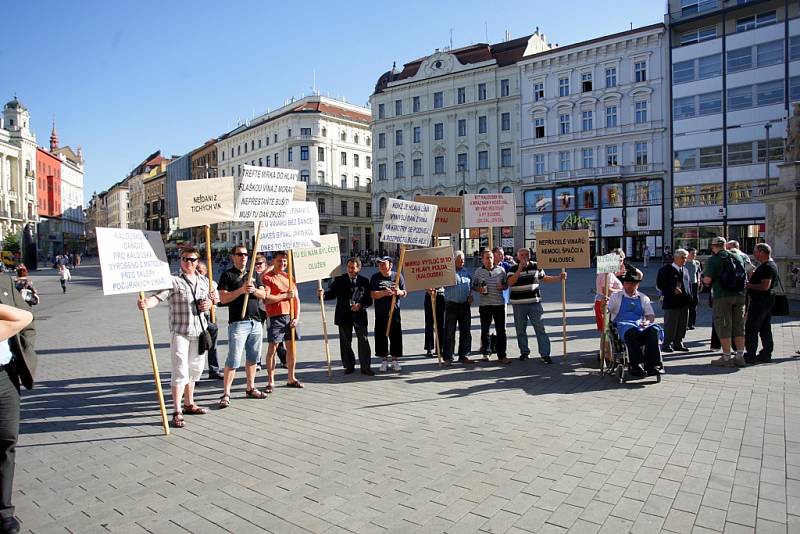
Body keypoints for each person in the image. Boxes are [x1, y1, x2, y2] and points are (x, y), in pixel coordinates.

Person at [136, 247, 218, 428]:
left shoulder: (205, 281)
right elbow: (158, 298)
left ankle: (189, 403)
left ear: (198, 262)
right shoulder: (173, 281)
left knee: (195, 369)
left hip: (200, 332)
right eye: (185, 259)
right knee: (180, 371)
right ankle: (177, 410)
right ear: (180, 260)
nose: (189, 262)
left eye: (193, 259)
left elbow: (215, 299)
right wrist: (146, 303)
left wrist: (210, 302)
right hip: (180, 332)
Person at [0, 279, 36, 534]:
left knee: (6, 441)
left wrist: (25, 353)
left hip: (4, 374)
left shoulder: (2, 281)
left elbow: (27, 319)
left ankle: (3, 512)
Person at [217, 245, 268, 408]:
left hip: (256, 321)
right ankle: (226, 393)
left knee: (253, 358)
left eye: (246, 254)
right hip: (238, 323)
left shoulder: (252, 273)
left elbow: (264, 294)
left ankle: (250, 387)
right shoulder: (227, 275)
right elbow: (223, 299)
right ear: (233, 256)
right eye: (239, 254)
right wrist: (241, 290)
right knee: (233, 359)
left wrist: (254, 290)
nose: (243, 257)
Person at [506, 247, 565, 363]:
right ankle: (524, 352)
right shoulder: (512, 268)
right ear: (517, 257)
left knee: (540, 328)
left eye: (526, 254)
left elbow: (544, 278)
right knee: (520, 329)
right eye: (522, 255)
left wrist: (558, 278)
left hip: (534, 303)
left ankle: (545, 354)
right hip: (519, 304)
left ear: (530, 255)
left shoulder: (536, 266)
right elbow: (510, 282)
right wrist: (519, 269)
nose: (524, 257)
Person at [320, 257, 374, 375]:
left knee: (363, 341)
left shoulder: (364, 281)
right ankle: (349, 365)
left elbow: (369, 300)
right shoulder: (340, 279)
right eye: (349, 267)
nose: (350, 269)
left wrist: (360, 305)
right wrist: (322, 295)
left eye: (353, 267)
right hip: (343, 315)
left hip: (359, 316)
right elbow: (332, 294)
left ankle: (365, 367)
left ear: (358, 268)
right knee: (345, 342)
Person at [608, 271, 663, 377]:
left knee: (654, 331)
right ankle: (635, 365)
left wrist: (647, 322)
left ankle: (652, 366)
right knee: (631, 332)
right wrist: (604, 307)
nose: (631, 286)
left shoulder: (643, 298)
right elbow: (607, 310)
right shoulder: (616, 296)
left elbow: (650, 315)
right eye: (628, 283)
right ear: (624, 284)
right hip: (623, 325)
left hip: (640, 325)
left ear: (637, 285)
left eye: (633, 284)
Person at [703, 236, 747, 367]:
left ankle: (727, 357)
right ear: (725, 245)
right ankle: (740, 356)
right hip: (740, 295)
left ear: (713, 247)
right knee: (739, 326)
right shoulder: (738, 257)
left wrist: (704, 279)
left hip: (722, 296)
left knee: (723, 325)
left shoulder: (714, 260)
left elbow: (707, 280)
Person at [262, 251, 303, 390]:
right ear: (273, 261)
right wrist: (285, 295)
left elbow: (296, 299)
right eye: (280, 261)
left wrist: (296, 317)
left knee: (292, 349)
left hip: (290, 316)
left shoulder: (289, 276)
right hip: (276, 316)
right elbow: (267, 299)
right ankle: (270, 381)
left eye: (285, 261)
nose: (283, 263)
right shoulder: (268, 278)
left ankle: (291, 378)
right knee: (272, 348)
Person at [472, 249, 509, 364]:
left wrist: (502, 287)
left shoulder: (501, 270)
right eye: (487, 258)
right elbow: (473, 286)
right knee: (485, 330)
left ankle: (502, 355)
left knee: (501, 330)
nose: (490, 260)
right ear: (482, 259)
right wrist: (479, 289)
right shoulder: (478, 272)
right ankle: (486, 353)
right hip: (485, 304)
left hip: (498, 304)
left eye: (491, 257)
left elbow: (507, 284)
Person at [370, 256, 407, 372]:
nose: (381, 266)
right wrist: (384, 293)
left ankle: (395, 360)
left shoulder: (397, 276)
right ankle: (384, 360)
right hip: (381, 313)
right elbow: (373, 294)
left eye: (383, 263)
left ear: (390, 265)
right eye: (379, 264)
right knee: (381, 337)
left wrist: (399, 292)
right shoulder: (375, 277)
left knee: (395, 337)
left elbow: (405, 292)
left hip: (394, 313)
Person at [744, 243, 778, 364]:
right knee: (764, 328)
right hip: (766, 301)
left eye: (756, 251)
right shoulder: (768, 265)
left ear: (762, 252)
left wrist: (749, 285)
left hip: (761, 302)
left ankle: (750, 354)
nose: (754, 253)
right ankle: (766, 353)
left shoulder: (767, 266)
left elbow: (765, 286)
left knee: (751, 328)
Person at [656, 248, 692, 353]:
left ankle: (678, 343)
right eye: (683, 257)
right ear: (676, 258)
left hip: (684, 302)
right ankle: (666, 344)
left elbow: (688, 285)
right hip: (671, 302)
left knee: (682, 324)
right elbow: (660, 284)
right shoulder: (665, 270)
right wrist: (672, 289)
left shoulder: (685, 270)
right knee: (670, 324)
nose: (685, 260)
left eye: (686, 258)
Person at [442, 251, 474, 365]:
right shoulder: (448, 272)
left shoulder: (466, 272)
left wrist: (470, 296)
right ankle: (448, 357)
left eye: (463, 259)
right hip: (451, 305)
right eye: (460, 260)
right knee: (450, 332)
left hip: (465, 305)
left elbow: (470, 286)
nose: (462, 262)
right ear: (453, 260)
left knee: (466, 331)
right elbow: (438, 284)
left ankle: (464, 355)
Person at [197, 260, 222, 380]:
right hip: (196, 318)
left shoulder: (212, 284)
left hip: (210, 316)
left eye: (200, 271)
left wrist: (212, 300)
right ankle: (195, 375)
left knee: (213, 345)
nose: (198, 273)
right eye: (196, 270)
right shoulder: (192, 284)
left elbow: (217, 301)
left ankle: (214, 370)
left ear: (206, 272)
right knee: (197, 346)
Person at [423, 287, 445, 358]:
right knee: (429, 323)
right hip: (429, 295)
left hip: (441, 295)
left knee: (441, 324)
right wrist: (426, 289)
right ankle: (429, 348)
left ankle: (440, 347)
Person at [685, 248, 701, 330]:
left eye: (695, 253)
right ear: (688, 254)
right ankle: (685, 324)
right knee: (686, 305)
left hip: (694, 285)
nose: (694, 255)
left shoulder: (697, 263)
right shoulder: (684, 263)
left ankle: (691, 323)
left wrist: (699, 281)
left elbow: (698, 272)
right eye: (692, 253)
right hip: (686, 285)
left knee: (694, 305)